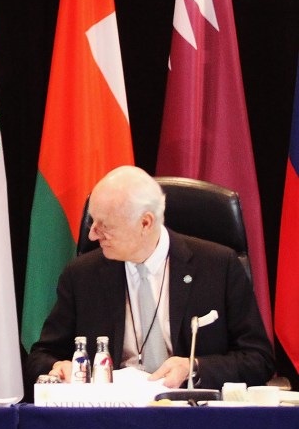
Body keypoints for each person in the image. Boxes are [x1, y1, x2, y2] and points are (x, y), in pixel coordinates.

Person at [26, 166, 274, 389]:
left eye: (104, 225)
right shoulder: (81, 275)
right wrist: (58, 368)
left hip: (191, 414)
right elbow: (41, 355)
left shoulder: (218, 266)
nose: (92, 235)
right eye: (93, 222)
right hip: (110, 417)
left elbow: (258, 359)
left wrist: (194, 367)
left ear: (145, 223)